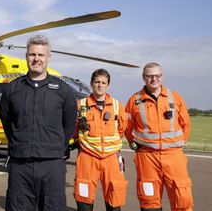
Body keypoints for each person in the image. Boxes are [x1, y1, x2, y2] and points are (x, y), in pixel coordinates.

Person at [0, 35, 77, 211]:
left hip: (52, 165)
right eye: (32, 54)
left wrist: (54, 146)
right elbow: (7, 120)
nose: (37, 59)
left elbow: (69, 124)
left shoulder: (62, 90)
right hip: (20, 165)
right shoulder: (12, 88)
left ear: (48, 58)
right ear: (26, 56)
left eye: (41, 55)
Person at [125, 62, 193, 211]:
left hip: (174, 156)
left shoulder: (175, 97)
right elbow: (127, 127)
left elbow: (186, 124)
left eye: (157, 75)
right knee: (149, 201)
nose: (154, 79)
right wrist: (136, 146)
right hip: (147, 157)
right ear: (143, 77)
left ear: (162, 77)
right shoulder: (134, 100)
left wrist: (178, 145)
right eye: (150, 76)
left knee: (182, 199)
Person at [73, 69, 128, 211]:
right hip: (87, 157)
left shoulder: (117, 106)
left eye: (103, 82)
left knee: (114, 198)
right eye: (97, 82)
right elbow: (74, 129)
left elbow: (121, 129)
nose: (100, 85)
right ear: (91, 83)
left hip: (111, 159)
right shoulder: (81, 105)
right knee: (84, 197)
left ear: (108, 85)